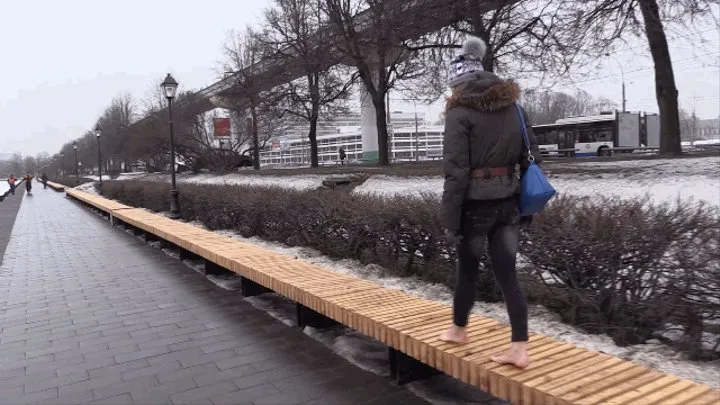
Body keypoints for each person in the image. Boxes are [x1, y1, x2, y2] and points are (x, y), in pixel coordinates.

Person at [438, 37, 541, 369]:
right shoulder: (515, 107)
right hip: (509, 201)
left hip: (475, 206)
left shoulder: (459, 112)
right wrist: (525, 206)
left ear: (459, 84)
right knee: (507, 274)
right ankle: (520, 348)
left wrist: (451, 221)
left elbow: (456, 172)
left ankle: (458, 330)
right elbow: (531, 157)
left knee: (467, 270)